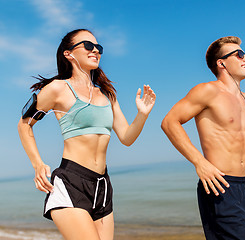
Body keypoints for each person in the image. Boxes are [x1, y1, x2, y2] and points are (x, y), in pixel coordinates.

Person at [17, 29, 156, 240]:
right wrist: (37, 164)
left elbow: (127, 137)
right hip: (71, 181)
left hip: (102, 184)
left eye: (98, 48)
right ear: (69, 53)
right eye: (88, 46)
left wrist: (142, 115)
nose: (95, 51)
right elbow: (25, 124)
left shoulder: (107, 93)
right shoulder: (58, 89)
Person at [161, 36, 245, 240]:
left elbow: (244, 149)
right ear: (222, 63)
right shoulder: (207, 91)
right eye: (240, 54)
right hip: (219, 184)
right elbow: (169, 122)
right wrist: (200, 162)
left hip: (244, 186)